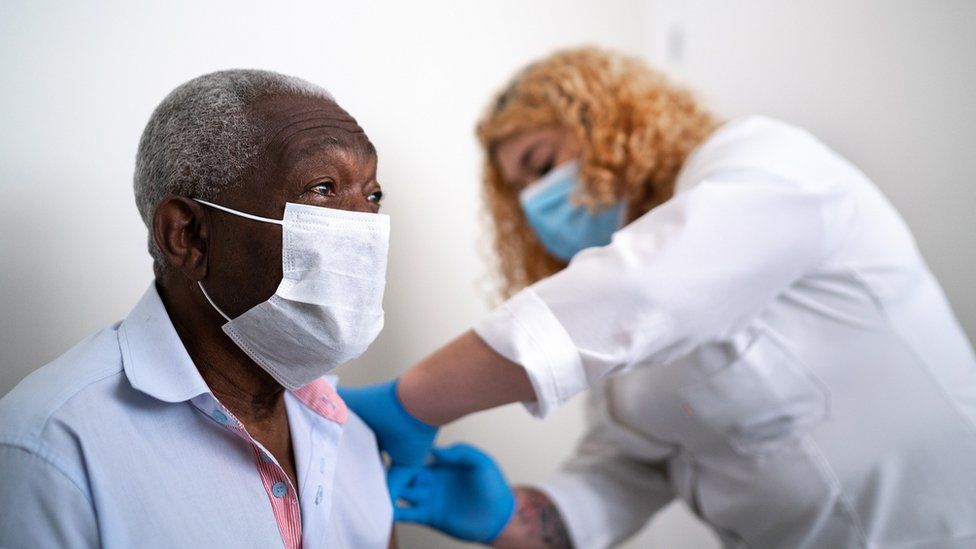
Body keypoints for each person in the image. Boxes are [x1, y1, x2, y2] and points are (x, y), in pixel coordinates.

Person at [340, 48, 976, 548]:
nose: (536, 201)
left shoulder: (768, 162)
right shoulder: (623, 350)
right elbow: (622, 477)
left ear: (617, 122)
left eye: (542, 162)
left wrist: (414, 398)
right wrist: (509, 514)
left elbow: (651, 289)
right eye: (520, 190)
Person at [0, 70, 395, 548]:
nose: (364, 229)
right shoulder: (50, 448)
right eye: (323, 188)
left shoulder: (345, 429)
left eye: (372, 195)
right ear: (187, 236)